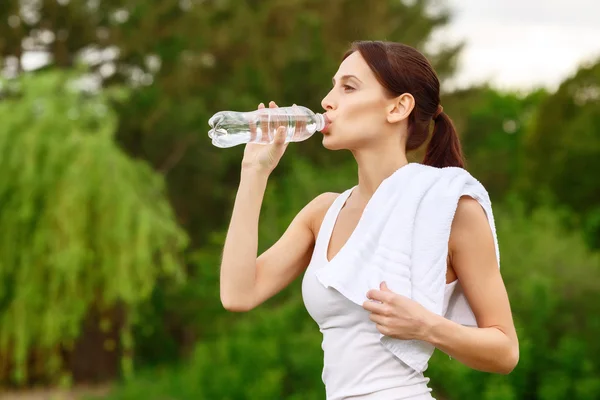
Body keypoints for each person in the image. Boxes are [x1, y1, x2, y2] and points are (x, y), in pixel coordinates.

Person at [219, 40, 519, 400]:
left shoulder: (448, 209)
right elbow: (238, 294)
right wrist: (255, 171)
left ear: (398, 107)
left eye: (348, 87)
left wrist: (427, 326)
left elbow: (505, 351)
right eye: (333, 87)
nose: (327, 101)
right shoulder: (323, 212)